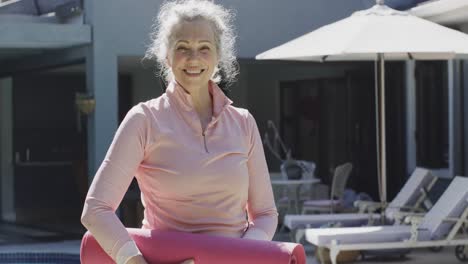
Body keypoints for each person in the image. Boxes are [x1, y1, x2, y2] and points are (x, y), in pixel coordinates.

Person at [80, 1, 278, 263]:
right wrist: (134, 260)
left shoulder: (243, 122)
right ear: (166, 56)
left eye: (204, 48)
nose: (193, 58)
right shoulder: (144, 119)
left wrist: (238, 255)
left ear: (218, 55)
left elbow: (265, 214)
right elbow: (96, 210)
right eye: (182, 48)